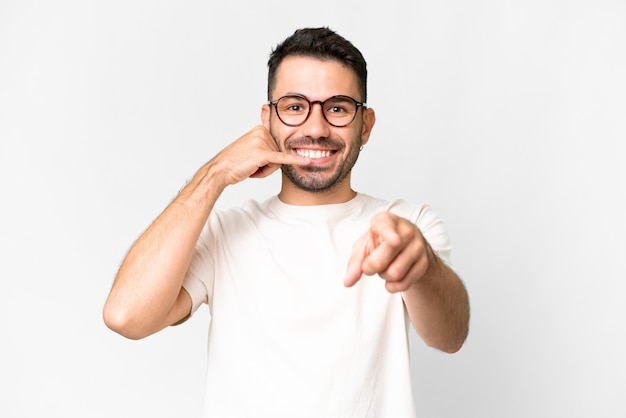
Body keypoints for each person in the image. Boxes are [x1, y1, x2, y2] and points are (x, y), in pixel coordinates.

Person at [103, 27, 470, 418]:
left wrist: (421, 266)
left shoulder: (407, 224)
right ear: (268, 121)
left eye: (338, 107)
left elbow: (450, 336)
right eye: (295, 107)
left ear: (365, 125)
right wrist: (215, 174)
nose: (315, 128)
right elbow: (126, 315)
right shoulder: (225, 233)